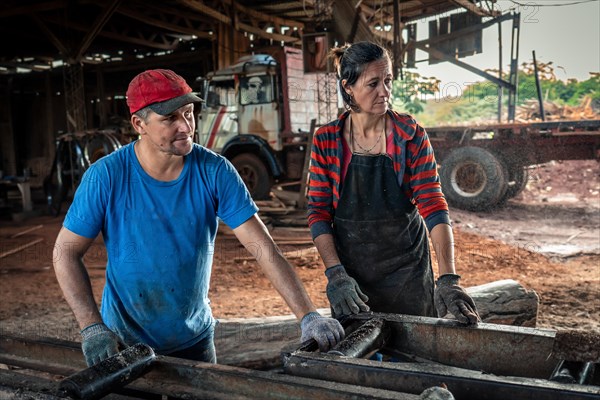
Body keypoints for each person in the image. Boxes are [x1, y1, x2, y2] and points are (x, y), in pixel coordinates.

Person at [53, 69, 344, 367]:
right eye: (170, 119)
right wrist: (92, 327)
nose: (185, 126)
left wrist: (308, 315)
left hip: (195, 341)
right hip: (124, 342)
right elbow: (65, 253)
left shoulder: (215, 171)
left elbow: (264, 249)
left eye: (189, 113)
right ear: (139, 124)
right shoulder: (106, 177)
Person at [307, 42, 480, 324]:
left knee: (414, 355)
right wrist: (336, 275)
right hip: (352, 278)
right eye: (373, 83)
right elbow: (318, 213)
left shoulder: (409, 135)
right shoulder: (327, 140)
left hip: (407, 273)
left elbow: (433, 206)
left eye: (387, 81)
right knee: (360, 355)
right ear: (348, 87)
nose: (385, 92)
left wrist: (448, 278)